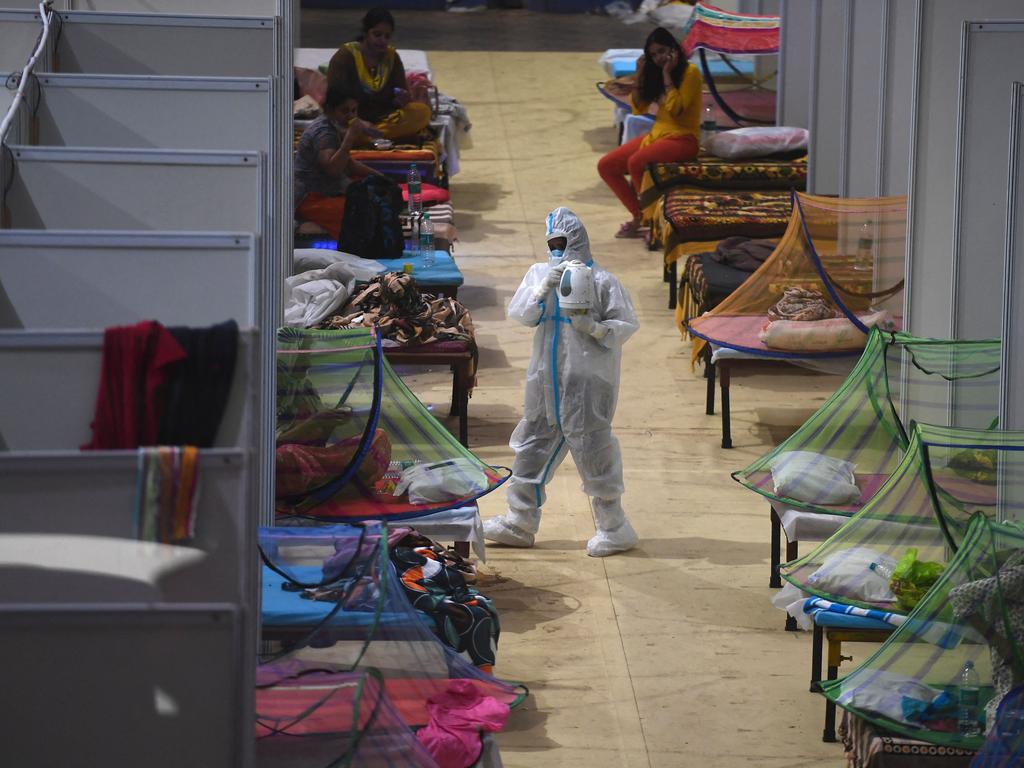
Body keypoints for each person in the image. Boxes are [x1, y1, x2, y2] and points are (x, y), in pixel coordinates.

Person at [483, 208, 640, 557]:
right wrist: (541, 290)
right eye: (551, 243)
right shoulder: (540, 273)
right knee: (531, 446)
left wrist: (595, 328)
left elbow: (625, 324)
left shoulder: (603, 281)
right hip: (544, 381)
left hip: (586, 384)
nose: (555, 249)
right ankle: (519, 521)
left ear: (576, 240)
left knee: (593, 449)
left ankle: (615, 528)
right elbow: (522, 315)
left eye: (561, 242)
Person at [597, 27, 702, 238]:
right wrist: (639, 75)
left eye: (662, 51)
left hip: (683, 138)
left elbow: (676, 109)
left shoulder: (690, 73)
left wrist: (667, 77)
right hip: (659, 136)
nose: (659, 58)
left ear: (674, 49)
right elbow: (638, 107)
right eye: (653, 54)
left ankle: (653, 222)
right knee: (607, 165)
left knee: (636, 163)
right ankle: (640, 216)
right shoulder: (654, 72)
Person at [326, 8, 432, 143]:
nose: (382, 40)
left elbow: (403, 99)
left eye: (387, 36)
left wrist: (403, 99)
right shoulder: (346, 56)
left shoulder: (392, 58)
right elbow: (334, 100)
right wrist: (359, 122)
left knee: (422, 112)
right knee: (340, 130)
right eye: (377, 35)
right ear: (365, 33)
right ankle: (383, 137)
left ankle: (371, 137)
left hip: (384, 118)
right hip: (351, 118)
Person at [293, 86, 382, 240]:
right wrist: (349, 139)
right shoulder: (324, 133)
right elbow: (333, 169)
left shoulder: (334, 126)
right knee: (361, 211)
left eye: (354, 111)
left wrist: (380, 177)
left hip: (327, 187)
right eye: (345, 111)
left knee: (369, 189)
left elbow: (348, 164)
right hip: (310, 196)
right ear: (329, 110)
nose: (351, 116)